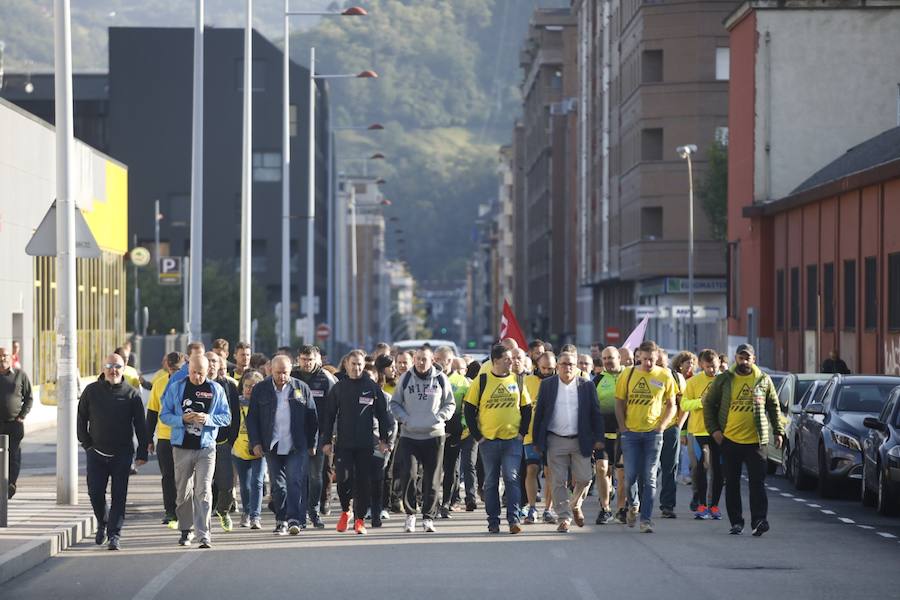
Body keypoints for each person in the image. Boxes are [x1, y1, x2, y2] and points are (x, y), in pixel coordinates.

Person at [704, 344, 783, 537]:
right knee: (731, 482)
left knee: (758, 482)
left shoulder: (763, 380)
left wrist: (778, 432)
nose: (744, 361)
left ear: (754, 359)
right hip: (730, 440)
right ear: (735, 359)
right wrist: (714, 430)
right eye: (741, 358)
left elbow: (773, 406)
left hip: (756, 441)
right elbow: (708, 404)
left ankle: (759, 520)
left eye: (748, 358)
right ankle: (736, 522)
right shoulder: (724, 380)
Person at [77, 353, 149, 550]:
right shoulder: (91, 391)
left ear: (124, 368)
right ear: (103, 367)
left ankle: (114, 534)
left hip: (122, 454)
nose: (112, 370)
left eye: (117, 366)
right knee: (95, 493)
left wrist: (142, 452)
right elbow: (81, 418)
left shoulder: (131, 394)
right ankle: (103, 521)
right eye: (109, 365)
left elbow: (141, 426)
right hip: (96, 453)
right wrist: (87, 445)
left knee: (119, 496)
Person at [160, 354, 232, 549]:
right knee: (183, 491)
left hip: (206, 448)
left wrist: (207, 419)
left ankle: (204, 534)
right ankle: (186, 530)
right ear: (188, 369)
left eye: (200, 373)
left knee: (203, 490)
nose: (197, 377)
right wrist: (182, 419)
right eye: (193, 372)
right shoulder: (176, 387)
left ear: (208, 370)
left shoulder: (215, 389)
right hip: (182, 447)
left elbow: (226, 417)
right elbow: (164, 415)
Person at [321, 350, 392, 536]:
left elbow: (383, 415)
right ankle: (346, 511)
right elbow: (328, 416)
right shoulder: (339, 388)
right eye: (353, 364)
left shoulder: (371, 387)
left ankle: (360, 520)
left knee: (362, 483)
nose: (357, 367)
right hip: (344, 443)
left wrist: (385, 439)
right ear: (346, 365)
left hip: (365, 444)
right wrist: (326, 440)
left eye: (360, 364)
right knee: (343, 480)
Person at [245, 355, 318, 536]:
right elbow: (252, 418)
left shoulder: (301, 388)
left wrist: (312, 443)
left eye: (285, 372)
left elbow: (312, 418)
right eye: (278, 373)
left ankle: (293, 519)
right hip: (272, 444)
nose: (282, 376)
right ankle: (281, 520)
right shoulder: (261, 389)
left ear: (290, 370)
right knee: (278, 485)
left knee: (294, 481)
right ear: (270, 370)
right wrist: (255, 442)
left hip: (296, 444)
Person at [532, 351, 604, 533]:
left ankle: (575, 504)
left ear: (577, 366)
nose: (568, 367)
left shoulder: (586, 385)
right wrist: (537, 440)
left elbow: (596, 413)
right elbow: (539, 413)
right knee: (558, 482)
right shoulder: (548, 385)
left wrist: (598, 438)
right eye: (564, 364)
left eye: (571, 364)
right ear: (557, 366)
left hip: (581, 439)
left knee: (585, 478)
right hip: (555, 439)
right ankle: (564, 518)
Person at [463, 344, 532, 534]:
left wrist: (521, 434)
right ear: (495, 361)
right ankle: (493, 521)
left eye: (513, 358)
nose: (512, 362)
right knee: (491, 482)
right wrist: (478, 436)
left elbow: (526, 409)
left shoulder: (517, 380)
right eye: (507, 359)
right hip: (489, 442)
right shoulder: (482, 380)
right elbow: (468, 409)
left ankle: (513, 519)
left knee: (511, 478)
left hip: (512, 441)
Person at [391, 347, 455, 533]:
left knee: (432, 478)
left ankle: (428, 517)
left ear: (432, 359)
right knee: (409, 475)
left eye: (424, 359)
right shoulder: (406, 379)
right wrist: (405, 419)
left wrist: (440, 417)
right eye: (417, 359)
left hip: (434, 435)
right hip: (409, 435)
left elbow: (450, 403)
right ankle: (410, 514)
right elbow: (395, 403)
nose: (420, 362)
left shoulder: (441, 378)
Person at [615, 340, 677, 533]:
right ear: (638, 356)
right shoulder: (628, 373)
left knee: (650, 477)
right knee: (631, 475)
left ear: (657, 357)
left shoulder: (665, 375)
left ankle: (646, 519)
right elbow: (619, 402)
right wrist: (623, 428)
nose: (648, 363)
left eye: (652, 360)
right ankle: (633, 504)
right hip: (631, 434)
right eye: (645, 359)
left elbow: (672, 404)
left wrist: (662, 426)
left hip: (653, 434)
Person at [292, 345, 337, 527]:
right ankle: (299, 514)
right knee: (297, 476)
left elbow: (334, 408)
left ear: (316, 360)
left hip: (319, 434)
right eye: (304, 359)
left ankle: (314, 510)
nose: (307, 363)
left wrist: (330, 435)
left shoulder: (326, 378)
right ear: (298, 359)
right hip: (294, 435)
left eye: (310, 360)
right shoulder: (292, 377)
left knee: (316, 476)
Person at [680, 349, 723, 520]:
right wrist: (701, 402)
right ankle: (702, 504)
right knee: (701, 466)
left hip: (720, 431)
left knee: (718, 470)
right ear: (701, 365)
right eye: (708, 367)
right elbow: (684, 405)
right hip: (698, 431)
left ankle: (714, 506)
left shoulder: (724, 381)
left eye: (714, 367)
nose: (712, 370)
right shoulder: (693, 382)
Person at [146, 352, 185, 527]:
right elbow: (152, 413)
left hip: (185, 437)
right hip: (164, 437)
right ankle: (170, 511)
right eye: (171, 368)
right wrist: (148, 439)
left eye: (177, 369)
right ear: (167, 367)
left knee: (184, 477)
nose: (174, 371)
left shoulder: (188, 383)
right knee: (168, 476)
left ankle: (184, 509)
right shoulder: (160, 384)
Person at [206, 352, 239, 532]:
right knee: (204, 485)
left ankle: (223, 510)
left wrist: (231, 440)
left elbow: (234, 414)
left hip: (223, 443)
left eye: (214, 361)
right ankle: (205, 519)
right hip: (202, 444)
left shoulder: (228, 385)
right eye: (208, 361)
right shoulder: (195, 384)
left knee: (226, 484)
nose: (211, 364)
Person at [229, 369, 266, 529]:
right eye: (247, 385)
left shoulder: (264, 404)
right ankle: (246, 511)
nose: (249, 389)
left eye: (254, 386)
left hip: (259, 449)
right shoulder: (235, 403)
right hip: (239, 449)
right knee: (245, 485)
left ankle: (255, 516)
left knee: (257, 481)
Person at [522, 351, 556, 524]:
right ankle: (532, 508)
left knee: (550, 472)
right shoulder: (527, 381)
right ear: (537, 366)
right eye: (544, 368)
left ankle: (548, 509)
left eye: (551, 368)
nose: (547, 371)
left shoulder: (558, 382)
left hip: (552, 434)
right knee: (531, 470)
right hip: (531, 434)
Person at [593, 346, 624, 525]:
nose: (607, 362)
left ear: (619, 357)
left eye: (610, 358)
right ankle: (605, 508)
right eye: (604, 359)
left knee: (621, 472)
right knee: (602, 469)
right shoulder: (597, 380)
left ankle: (621, 508)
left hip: (624, 433)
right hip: (602, 434)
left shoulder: (628, 377)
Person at [657, 350, 686, 519]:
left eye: (662, 363)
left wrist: (678, 426)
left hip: (669, 429)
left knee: (670, 468)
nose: (659, 366)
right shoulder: (645, 376)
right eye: (657, 363)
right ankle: (640, 503)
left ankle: (667, 506)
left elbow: (684, 405)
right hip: (648, 429)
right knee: (647, 470)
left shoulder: (677, 378)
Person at [0, 346, 32, 499]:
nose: (2, 359)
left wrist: (22, 415)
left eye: (5, 356)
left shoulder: (20, 375)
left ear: (11, 357)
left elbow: (29, 397)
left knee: (13, 455)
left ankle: (11, 483)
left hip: (14, 424)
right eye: (0, 356)